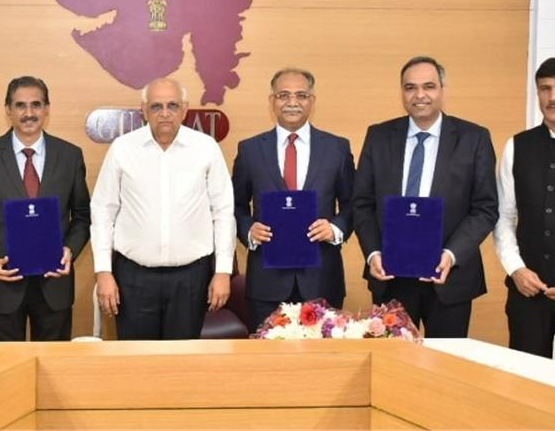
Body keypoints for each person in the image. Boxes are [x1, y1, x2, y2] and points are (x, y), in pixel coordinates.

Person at [352, 55, 498, 337]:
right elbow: (362, 204)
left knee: (443, 370)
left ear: (442, 90)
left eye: (428, 86)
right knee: (391, 369)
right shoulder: (379, 136)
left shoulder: (474, 138)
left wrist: (451, 254)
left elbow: (485, 208)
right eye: (410, 87)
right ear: (402, 93)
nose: (420, 95)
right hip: (391, 276)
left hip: (449, 276)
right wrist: (372, 253)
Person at [91, 77, 235, 340]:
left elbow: (223, 212)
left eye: (172, 105)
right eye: (156, 106)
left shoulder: (206, 148)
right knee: (136, 363)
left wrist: (223, 272)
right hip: (133, 278)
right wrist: (103, 272)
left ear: (185, 109)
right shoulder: (122, 149)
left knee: (182, 365)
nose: (165, 113)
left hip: (191, 278)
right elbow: (102, 212)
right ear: (143, 110)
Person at [0, 76, 90, 341]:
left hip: (54, 285)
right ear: (8, 109)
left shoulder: (70, 156)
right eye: (20, 105)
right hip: (1, 287)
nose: (28, 113)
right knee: (4, 371)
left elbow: (82, 217)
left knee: (53, 368)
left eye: (36, 105)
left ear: (47, 108)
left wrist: (70, 251)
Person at [232, 68, 354, 333]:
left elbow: (354, 203)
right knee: (268, 366)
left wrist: (334, 228)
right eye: (283, 95)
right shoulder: (250, 149)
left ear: (312, 100)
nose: (292, 102)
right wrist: (248, 229)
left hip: (322, 279)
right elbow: (235, 205)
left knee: (323, 365)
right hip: (266, 282)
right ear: (272, 100)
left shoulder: (337, 148)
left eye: (301, 95)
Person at [494, 57, 555, 357]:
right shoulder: (517, 146)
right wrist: (516, 269)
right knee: (526, 386)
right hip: (527, 290)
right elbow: (504, 216)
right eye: (545, 89)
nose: (552, 97)